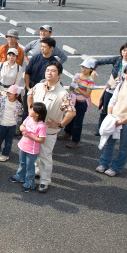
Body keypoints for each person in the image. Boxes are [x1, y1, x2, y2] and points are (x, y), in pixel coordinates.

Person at [27, 62, 76, 192]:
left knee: (45, 157)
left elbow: (71, 112)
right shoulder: (38, 86)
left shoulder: (63, 94)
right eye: (48, 70)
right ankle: (37, 171)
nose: (49, 72)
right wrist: (30, 110)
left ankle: (45, 181)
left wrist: (60, 124)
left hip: (49, 132)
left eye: (53, 71)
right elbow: (29, 95)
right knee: (35, 153)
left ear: (59, 75)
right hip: (34, 129)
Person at [96, 64, 127, 177]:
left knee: (123, 147)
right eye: (126, 73)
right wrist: (110, 116)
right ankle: (104, 164)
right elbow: (112, 101)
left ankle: (116, 167)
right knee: (109, 143)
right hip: (114, 118)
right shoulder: (121, 85)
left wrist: (121, 122)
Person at [93, 42, 127, 134]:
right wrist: (93, 69)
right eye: (124, 50)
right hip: (112, 88)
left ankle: (118, 128)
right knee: (105, 109)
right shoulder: (117, 59)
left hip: (125, 90)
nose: (125, 53)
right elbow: (98, 62)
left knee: (121, 110)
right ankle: (101, 128)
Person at [58, 59, 95, 148]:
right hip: (73, 100)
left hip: (81, 103)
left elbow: (87, 95)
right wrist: (73, 82)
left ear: (91, 69)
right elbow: (71, 89)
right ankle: (67, 134)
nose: (83, 69)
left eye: (86, 68)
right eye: (82, 67)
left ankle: (75, 141)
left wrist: (77, 87)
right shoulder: (77, 75)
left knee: (77, 123)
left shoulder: (90, 80)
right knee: (69, 118)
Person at [10, 102, 47, 192]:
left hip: (32, 150)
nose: (29, 111)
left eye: (31, 110)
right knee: (22, 163)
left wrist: (30, 136)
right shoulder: (29, 118)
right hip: (23, 146)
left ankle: (30, 183)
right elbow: (23, 124)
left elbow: (42, 140)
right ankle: (20, 176)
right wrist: (22, 127)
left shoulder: (41, 126)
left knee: (30, 167)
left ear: (37, 114)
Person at [0, 48, 24, 128]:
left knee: (8, 109)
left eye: (13, 55)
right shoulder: (1, 65)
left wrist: (10, 92)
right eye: (9, 55)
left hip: (11, 91)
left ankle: (8, 125)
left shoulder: (19, 68)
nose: (11, 57)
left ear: (16, 57)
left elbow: (17, 83)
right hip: (0, 89)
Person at [0, 85, 23, 162]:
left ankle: (5, 154)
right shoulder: (2, 99)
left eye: (11, 93)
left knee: (9, 141)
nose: (8, 94)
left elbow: (18, 112)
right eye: (8, 92)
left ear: (17, 95)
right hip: (2, 123)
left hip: (12, 125)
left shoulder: (18, 104)